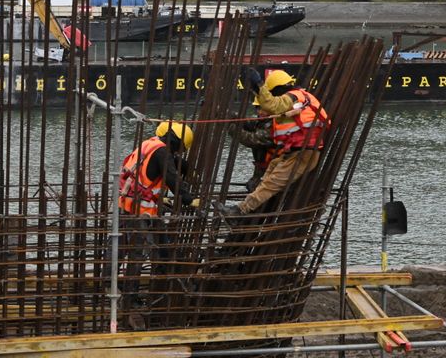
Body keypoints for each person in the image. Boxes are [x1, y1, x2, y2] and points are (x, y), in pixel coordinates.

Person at [218, 69, 330, 216]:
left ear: (278, 88)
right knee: (271, 169)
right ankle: (249, 204)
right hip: (296, 153)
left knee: (270, 184)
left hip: (304, 154)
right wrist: (224, 114)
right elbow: (249, 122)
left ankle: (240, 211)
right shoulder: (300, 98)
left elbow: (272, 106)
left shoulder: (294, 97)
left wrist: (259, 85)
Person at [118, 120, 199, 306]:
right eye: (180, 149)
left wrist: (160, 198)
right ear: (176, 142)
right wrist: (187, 198)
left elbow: (148, 175)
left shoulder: (149, 143)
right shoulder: (162, 151)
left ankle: (165, 281)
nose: (178, 153)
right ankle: (129, 299)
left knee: (162, 247)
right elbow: (171, 177)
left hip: (133, 206)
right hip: (140, 211)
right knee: (137, 253)